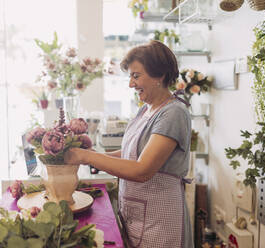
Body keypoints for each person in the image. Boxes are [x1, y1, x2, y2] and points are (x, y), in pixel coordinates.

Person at [64, 40, 193, 248]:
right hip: (138, 214)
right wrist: (93, 155)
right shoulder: (146, 109)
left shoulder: (173, 113)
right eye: (130, 77)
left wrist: (86, 156)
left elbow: (142, 170)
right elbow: (131, 153)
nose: (131, 84)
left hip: (159, 220)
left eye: (136, 75)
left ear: (159, 76)